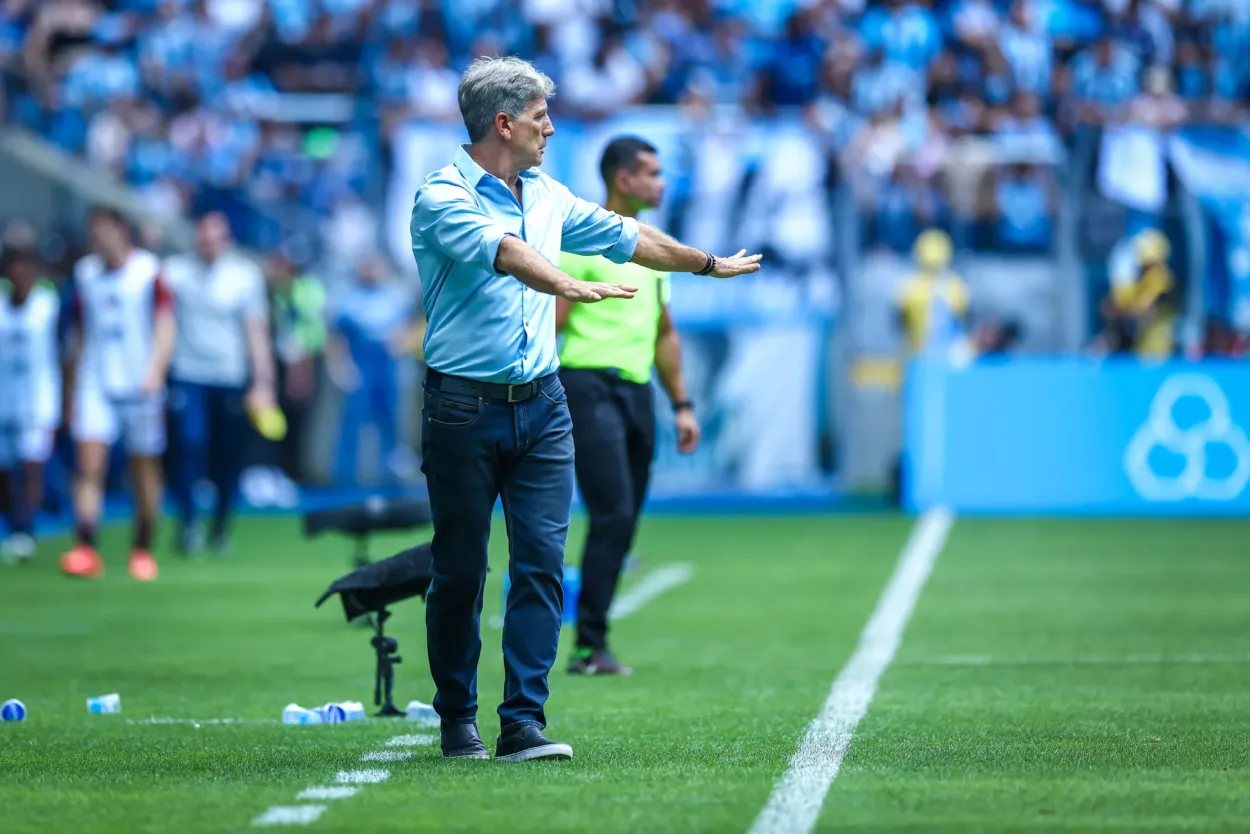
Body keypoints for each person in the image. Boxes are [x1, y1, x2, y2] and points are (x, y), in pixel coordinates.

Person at [410, 56, 760, 763]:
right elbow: (505, 253)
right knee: (461, 570)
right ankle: (457, 718)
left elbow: (631, 237)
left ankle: (523, 722)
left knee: (541, 564)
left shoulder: (548, 194)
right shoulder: (440, 196)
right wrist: (569, 279)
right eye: (540, 116)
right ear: (503, 123)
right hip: (461, 409)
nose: (550, 126)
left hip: (543, 404)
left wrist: (706, 263)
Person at [554, 136, 701, 676]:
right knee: (612, 511)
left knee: (624, 518)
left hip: (636, 392)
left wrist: (682, 402)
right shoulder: (578, 243)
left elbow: (665, 332)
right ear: (623, 178)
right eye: (653, 174)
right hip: (586, 385)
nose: (662, 184)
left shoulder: (652, 250)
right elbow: (555, 323)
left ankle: (590, 639)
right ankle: (590, 644)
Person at [59, 206, 176, 581]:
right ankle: (85, 545)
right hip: (96, 381)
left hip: (140, 384)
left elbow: (164, 322)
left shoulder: (148, 271)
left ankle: (142, 546)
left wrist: (156, 369)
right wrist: (72, 383)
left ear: (122, 231)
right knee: (89, 464)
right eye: (94, 233)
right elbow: (78, 332)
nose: (100, 240)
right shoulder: (86, 275)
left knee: (143, 469)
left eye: (105, 231)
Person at [163, 212, 276, 554]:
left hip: (230, 376)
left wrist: (264, 382)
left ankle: (222, 524)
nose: (210, 244)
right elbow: (162, 323)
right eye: (204, 236)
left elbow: (256, 331)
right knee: (189, 445)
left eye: (216, 237)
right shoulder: (176, 273)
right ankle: (188, 522)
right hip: (188, 373)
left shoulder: (244, 276)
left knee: (228, 455)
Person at [326, 255, 422, 485]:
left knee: (389, 421)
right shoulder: (348, 299)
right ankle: (345, 478)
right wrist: (341, 367)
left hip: (387, 367)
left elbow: (409, 328)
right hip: (361, 364)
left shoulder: (395, 297)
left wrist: (401, 342)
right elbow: (336, 339)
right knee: (352, 422)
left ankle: (389, 476)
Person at [0, 248, 61, 563]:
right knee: (6, 473)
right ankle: (15, 525)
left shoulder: (47, 306)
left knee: (31, 466)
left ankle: (25, 528)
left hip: (39, 401)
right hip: (5, 401)